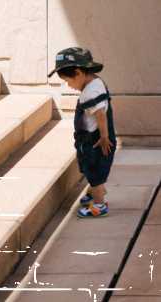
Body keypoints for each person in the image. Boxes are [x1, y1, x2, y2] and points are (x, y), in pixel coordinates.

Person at [49, 47, 117, 218]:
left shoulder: (89, 93)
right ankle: (95, 191)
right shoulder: (96, 82)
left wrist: (103, 137)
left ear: (78, 73)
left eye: (68, 80)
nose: (68, 85)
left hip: (95, 140)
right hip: (96, 137)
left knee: (94, 172)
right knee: (93, 170)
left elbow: (100, 115)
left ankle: (99, 204)